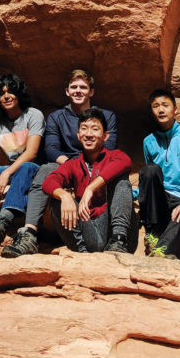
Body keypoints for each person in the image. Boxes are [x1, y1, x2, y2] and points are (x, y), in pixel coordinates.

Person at [1, 68, 117, 257]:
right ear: (67, 91)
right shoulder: (57, 117)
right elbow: (51, 149)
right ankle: (30, 233)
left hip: (97, 165)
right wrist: (73, 165)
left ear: (91, 91)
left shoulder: (107, 116)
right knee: (46, 169)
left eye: (83, 87)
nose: (78, 91)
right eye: (73, 87)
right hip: (66, 165)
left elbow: (109, 147)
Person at [42, 108, 133, 252]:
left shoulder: (115, 156)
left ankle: (119, 241)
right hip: (87, 229)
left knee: (122, 182)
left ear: (105, 136)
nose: (89, 134)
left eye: (95, 129)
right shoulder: (72, 164)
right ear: (78, 135)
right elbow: (49, 182)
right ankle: (81, 252)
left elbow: (125, 162)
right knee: (56, 199)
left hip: (110, 226)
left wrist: (90, 188)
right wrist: (64, 196)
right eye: (84, 129)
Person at [137, 89, 180, 260]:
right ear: (152, 111)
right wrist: (131, 194)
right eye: (156, 106)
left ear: (175, 109)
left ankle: (161, 253)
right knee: (150, 170)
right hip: (160, 203)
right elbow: (149, 181)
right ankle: (151, 234)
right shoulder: (148, 141)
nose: (161, 110)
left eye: (165, 105)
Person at [0, 73, 45, 245]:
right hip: (12, 168)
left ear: (19, 94)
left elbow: (31, 153)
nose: (6, 96)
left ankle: (3, 220)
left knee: (26, 168)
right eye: (1, 93)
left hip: (33, 167)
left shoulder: (33, 115)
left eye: (11, 92)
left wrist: (6, 174)